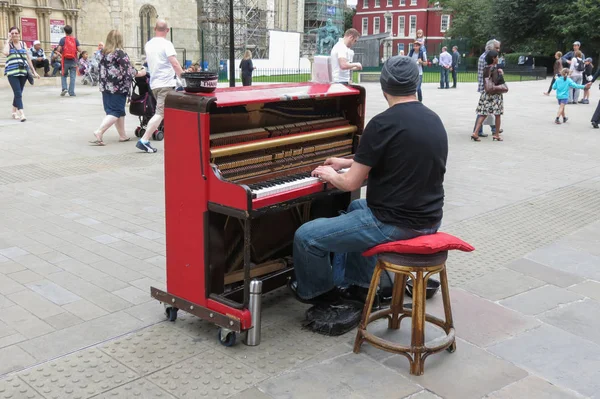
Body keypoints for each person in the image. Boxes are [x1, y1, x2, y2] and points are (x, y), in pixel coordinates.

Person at [289, 56, 447, 305]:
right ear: (416, 84)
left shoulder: (383, 123)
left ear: (384, 88)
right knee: (355, 207)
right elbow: (398, 155)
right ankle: (360, 286)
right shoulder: (433, 119)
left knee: (306, 237)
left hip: (394, 223)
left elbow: (350, 184)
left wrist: (331, 174)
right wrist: (347, 161)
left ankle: (322, 296)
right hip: (428, 219)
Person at [90, 30, 146, 146]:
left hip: (105, 86)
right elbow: (128, 70)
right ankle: (99, 132)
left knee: (116, 111)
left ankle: (122, 135)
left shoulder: (103, 53)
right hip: (118, 87)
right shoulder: (120, 53)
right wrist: (140, 73)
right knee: (116, 111)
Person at [136, 19, 184, 154]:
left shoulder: (148, 45)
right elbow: (174, 63)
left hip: (155, 84)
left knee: (167, 112)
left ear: (154, 29)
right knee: (160, 113)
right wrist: (184, 79)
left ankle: (175, 136)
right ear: (167, 30)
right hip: (166, 83)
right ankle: (144, 141)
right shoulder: (167, 44)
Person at [2, 26, 40, 122]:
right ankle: (22, 113)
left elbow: (28, 58)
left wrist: (33, 71)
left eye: (16, 33)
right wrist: (7, 40)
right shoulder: (9, 45)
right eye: (12, 33)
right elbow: (5, 53)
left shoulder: (23, 44)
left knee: (18, 93)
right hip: (12, 73)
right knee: (18, 93)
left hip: (23, 72)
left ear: (19, 34)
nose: (14, 35)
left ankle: (13, 112)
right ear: (10, 34)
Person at [471, 50, 505, 142]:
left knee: (483, 113)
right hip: (495, 95)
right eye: (497, 57)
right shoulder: (494, 69)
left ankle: (475, 132)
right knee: (497, 114)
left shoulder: (486, 69)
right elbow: (498, 82)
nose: (498, 59)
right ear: (493, 59)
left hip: (486, 93)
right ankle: (496, 134)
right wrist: (501, 74)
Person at [474, 39, 501, 137]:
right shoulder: (487, 58)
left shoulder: (486, 56)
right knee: (484, 110)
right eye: (496, 48)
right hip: (487, 87)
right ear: (490, 47)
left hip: (486, 86)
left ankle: (493, 129)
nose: (498, 50)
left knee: (487, 109)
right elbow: (491, 73)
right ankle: (479, 131)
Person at [56, 24, 81, 97]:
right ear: (71, 31)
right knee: (73, 76)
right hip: (73, 60)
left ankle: (64, 88)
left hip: (65, 61)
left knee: (64, 75)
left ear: (65, 31)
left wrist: (58, 51)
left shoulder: (63, 39)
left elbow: (59, 49)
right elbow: (79, 49)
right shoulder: (75, 40)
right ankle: (71, 92)